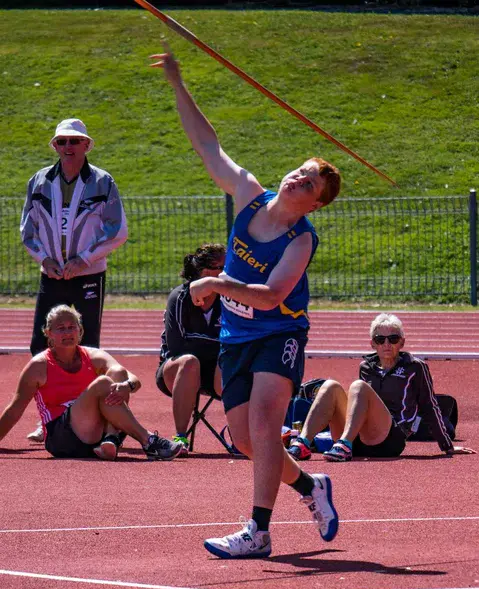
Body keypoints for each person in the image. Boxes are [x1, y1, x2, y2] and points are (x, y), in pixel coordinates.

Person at [150, 45, 341, 558]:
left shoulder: (300, 240)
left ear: (316, 202)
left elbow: (273, 293)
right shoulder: (248, 195)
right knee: (252, 442)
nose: (298, 178)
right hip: (235, 336)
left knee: (262, 425)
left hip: (278, 333)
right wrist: (177, 85)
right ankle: (310, 487)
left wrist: (215, 286)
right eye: (300, 170)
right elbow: (209, 145)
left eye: (311, 182)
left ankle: (258, 531)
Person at [21, 118, 128, 442]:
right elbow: (28, 232)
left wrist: (84, 259)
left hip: (88, 274)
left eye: (74, 141)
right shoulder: (39, 181)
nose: (68, 147)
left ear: (86, 145)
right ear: (55, 145)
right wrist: (46, 259)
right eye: (62, 142)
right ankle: (50, 418)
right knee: (41, 345)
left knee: (88, 347)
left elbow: (117, 231)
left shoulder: (103, 182)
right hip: (51, 274)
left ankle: (88, 415)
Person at [0, 305, 183, 462]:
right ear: (49, 333)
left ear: (80, 331)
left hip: (93, 435)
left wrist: (126, 386)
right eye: (60, 328)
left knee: (117, 373)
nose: (67, 332)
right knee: (104, 382)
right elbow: (15, 409)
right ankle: (148, 440)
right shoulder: (38, 366)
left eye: (72, 327)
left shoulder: (92, 356)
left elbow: (133, 379)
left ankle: (110, 438)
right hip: (61, 437)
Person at [287, 313, 475, 462]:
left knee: (358, 387)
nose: (387, 344)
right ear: (373, 344)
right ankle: (303, 443)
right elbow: (358, 408)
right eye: (380, 339)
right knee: (330, 386)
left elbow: (429, 406)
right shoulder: (366, 367)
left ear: (402, 342)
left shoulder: (415, 367)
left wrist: (447, 446)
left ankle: (344, 444)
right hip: (360, 440)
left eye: (393, 339)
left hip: (390, 440)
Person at [156, 243, 225, 456]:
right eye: (221, 267)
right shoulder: (180, 298)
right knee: (189, 362)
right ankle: (180, 437)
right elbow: (177, 347)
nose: (226, 273)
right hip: (177, 371)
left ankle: (245, 435)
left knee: (232, 358)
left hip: (216, 372)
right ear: (204, 273)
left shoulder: (230, 298)